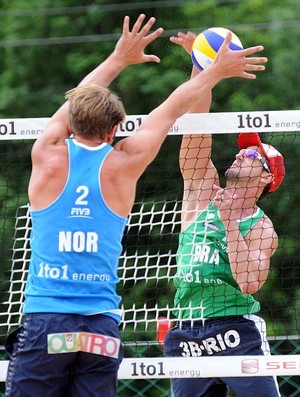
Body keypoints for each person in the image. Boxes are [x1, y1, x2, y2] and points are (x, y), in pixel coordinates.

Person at [5, 14, 267, 397]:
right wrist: (210, 70)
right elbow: (173, 108)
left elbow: (76, 101)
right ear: (115, 130)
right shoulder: (124, 164)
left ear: (71, 121)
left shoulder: (46, 156)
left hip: (47, 323)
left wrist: (117, 58)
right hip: (99, 328)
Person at [164, 32, 285, 397]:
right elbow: (195, 129)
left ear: (266, 177)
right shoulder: (203, 191)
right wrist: (204, 71)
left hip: (235, 330)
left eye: (250, 155)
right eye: (241, 151)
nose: (238, 154)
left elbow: (249, 283)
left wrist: (230, 220)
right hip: (186, 329)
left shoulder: (262, 227)